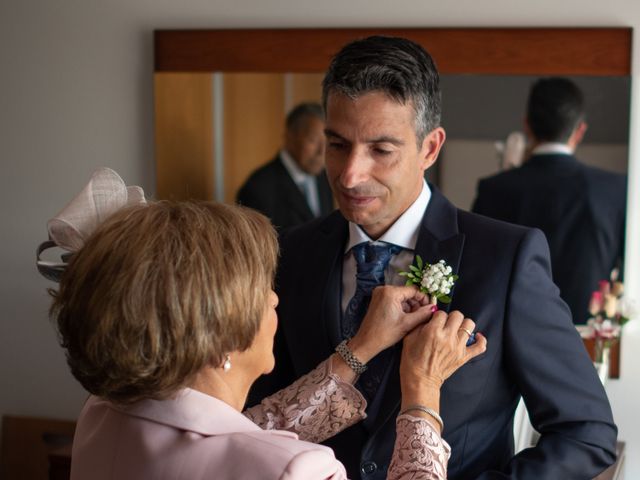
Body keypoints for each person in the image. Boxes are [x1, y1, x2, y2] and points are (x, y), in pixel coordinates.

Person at [249, 36, 617, 479]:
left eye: (381, 151)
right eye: (338, 145)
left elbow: (585, 433)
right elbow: (259, 415)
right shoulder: (291, 253)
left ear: (430, 147)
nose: (350, 174)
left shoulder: (506, 259)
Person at [43, 170, 486, 479]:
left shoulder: (103, 414)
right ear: (217, 339)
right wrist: (422, 392)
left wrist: (363, 347)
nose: (275, 297)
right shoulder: (295, 471)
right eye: (259, 290)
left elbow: (256, 430)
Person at [472, 77, 627, 324]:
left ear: (527, 126)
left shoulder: (495, 189)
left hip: (513, 334)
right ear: (580, 131)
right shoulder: (615, 190)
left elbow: (478, 271)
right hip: (587, 339)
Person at [236, 102, 334, 229]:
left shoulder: (326, 178)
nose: (322, 151)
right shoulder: (257, 189)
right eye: (313, 140)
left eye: (327, 141)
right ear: (289, 137)